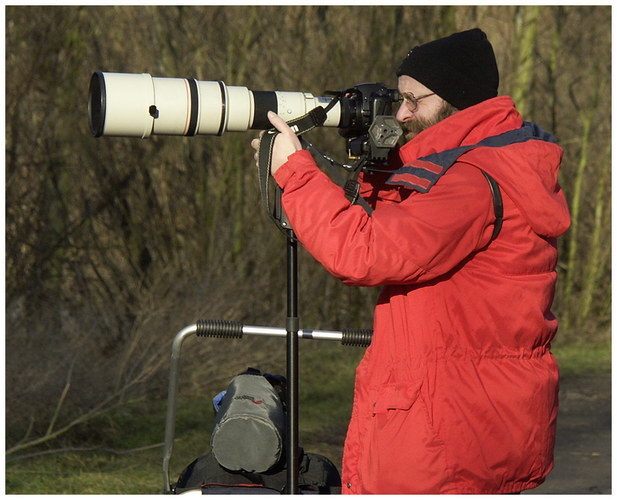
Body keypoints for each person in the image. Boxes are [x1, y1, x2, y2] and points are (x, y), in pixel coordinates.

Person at [251, 28, 570, 494]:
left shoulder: (472, 184)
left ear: (455, 101)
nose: (402, 114)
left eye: (413, 101)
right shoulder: (489, 165)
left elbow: (365, 252)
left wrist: (297, 174)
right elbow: (399, 227)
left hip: (448, 435)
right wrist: (373, 170)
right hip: (477, 418)